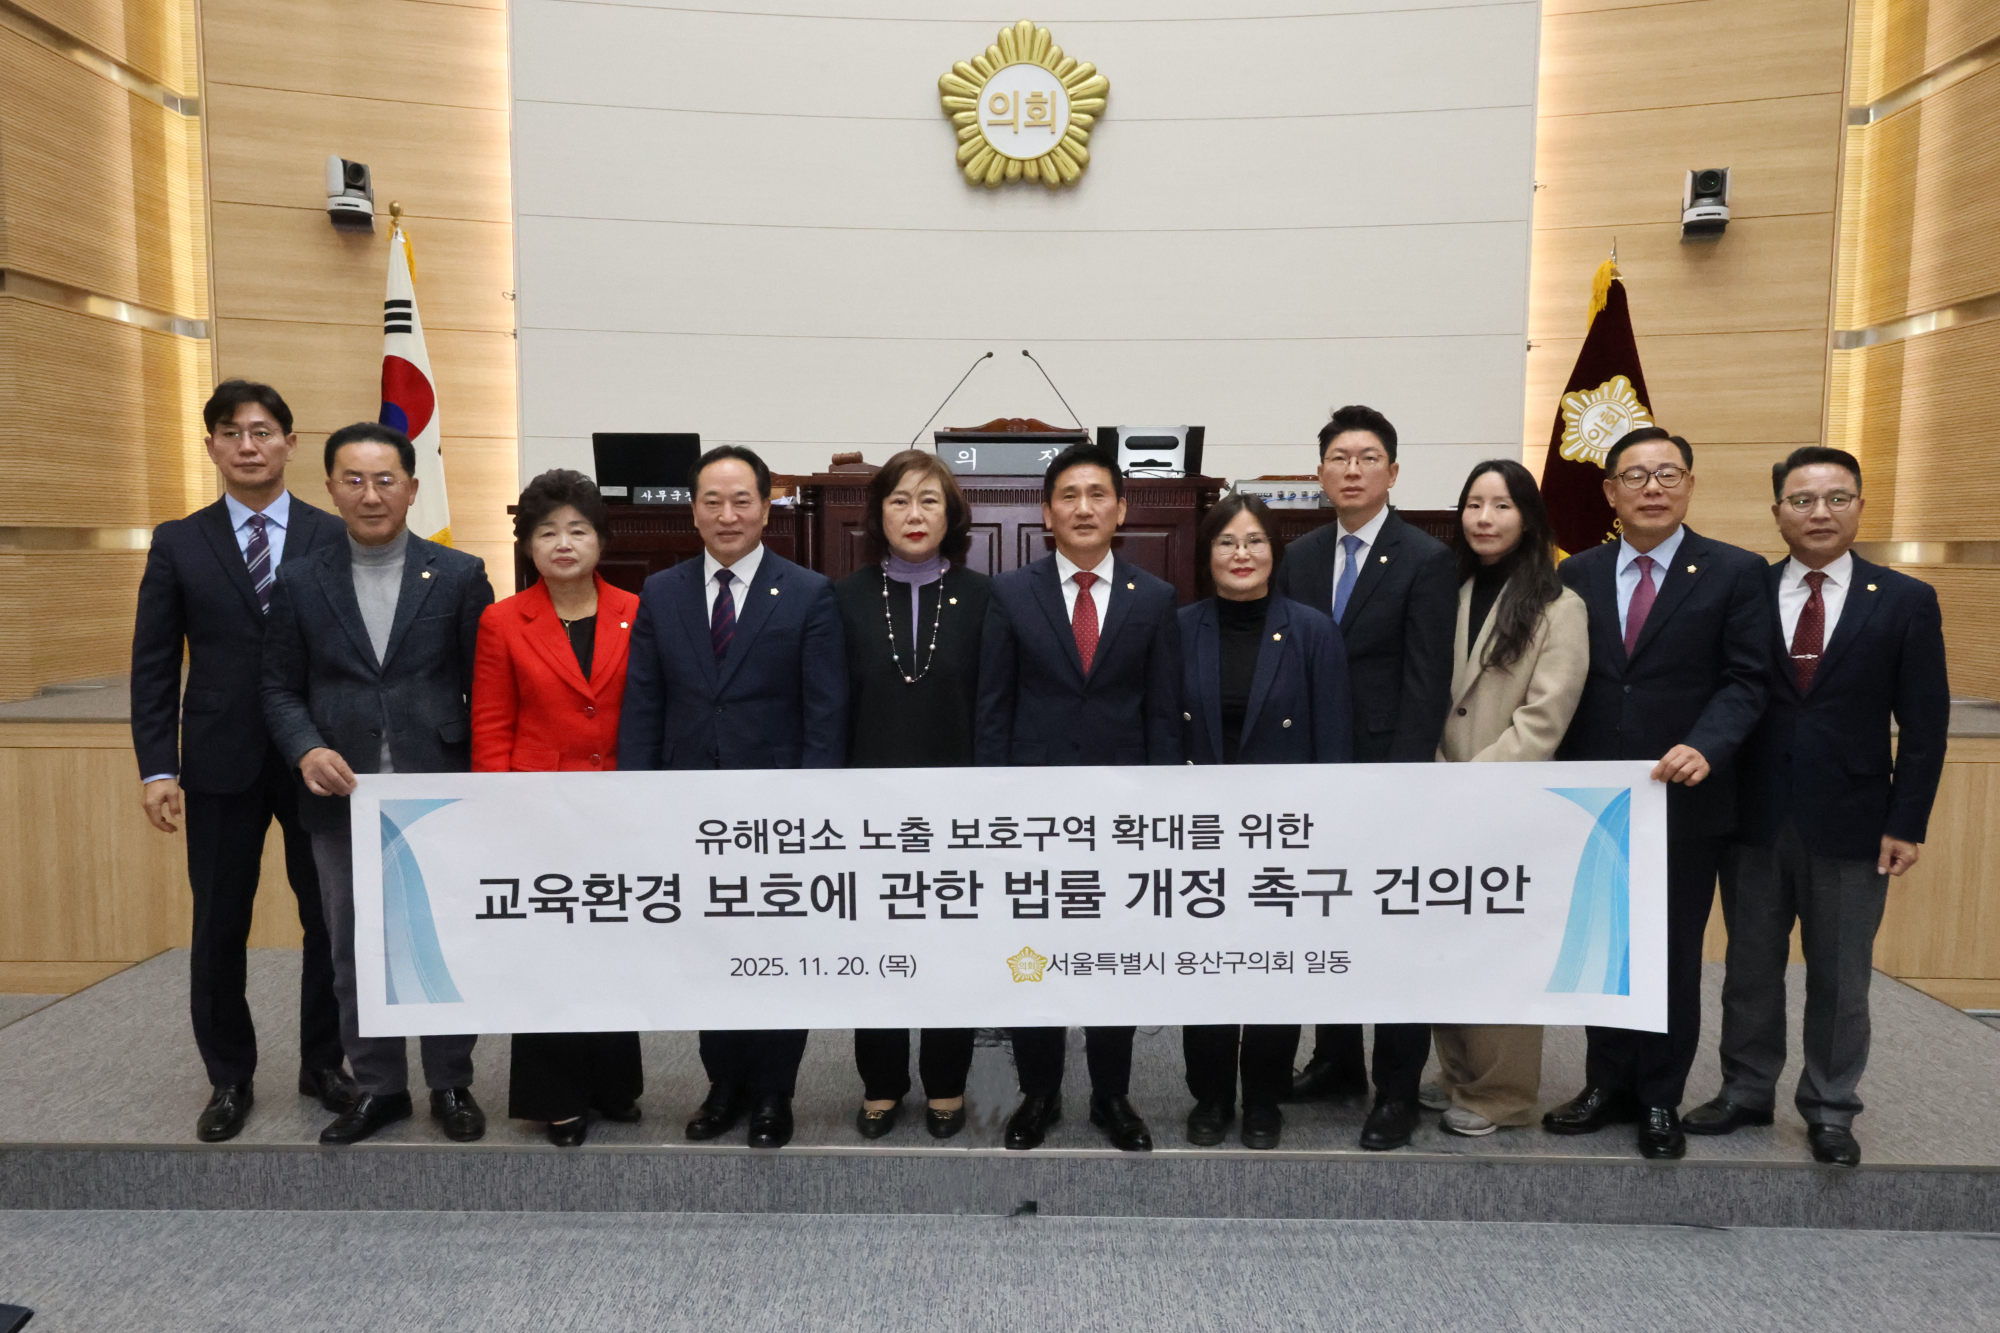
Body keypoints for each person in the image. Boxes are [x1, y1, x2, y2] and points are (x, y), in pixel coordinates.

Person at [1683, 446, 1948, 1167]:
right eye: (1801, 499)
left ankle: (1831, 1107)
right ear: (1777, 513)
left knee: (1840, 974)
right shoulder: (1744, 589)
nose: (1819, 512)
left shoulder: (1903, 600)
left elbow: (1925, 724)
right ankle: (1745, 1088)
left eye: (1835, 497)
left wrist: (1907, 822)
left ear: (1860, 506)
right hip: (1754, 814)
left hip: (1855, 822)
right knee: (1749, 966)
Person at [130, 380, 357, 1143]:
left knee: (327, 919)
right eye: (231, 432)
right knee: (218, 922)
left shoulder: (334, 537)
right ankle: (229, 1074)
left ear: (290, 442)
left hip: (318, 758)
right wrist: (158, 765)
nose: (248, 444)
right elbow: (154, 663)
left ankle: (324, 1063)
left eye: (262, 431)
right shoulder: (179, 541)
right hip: (220, 760)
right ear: (212, 448)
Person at [261, 422, 495, 1146]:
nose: (370, 494)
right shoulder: (301, 579)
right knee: (354, 946)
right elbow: (277, 687)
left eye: (386, 479)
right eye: (354, 480)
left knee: (442, 938)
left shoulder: (459, 574)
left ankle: (451, 1081)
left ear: (413, 489)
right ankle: (378, 1086)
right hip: (343, 798)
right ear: (330, 488)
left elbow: (483, 686)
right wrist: (305, 749)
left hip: (438, 791)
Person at [1541, 426, 1772, 1160]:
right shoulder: (1576, 572)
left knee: (1670, 952)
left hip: (1684, 795)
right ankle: (1605, 1082)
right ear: (1609, 491)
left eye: (1668, 474)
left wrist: (1707, 743)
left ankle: (1660, 1096)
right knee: (1602, 945)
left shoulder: (1736, 572)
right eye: (1635, 476)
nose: (1653, 487)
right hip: (1595, 795)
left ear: (1690, 484)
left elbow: (1747, 678)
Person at [618, 445, 847, 1150]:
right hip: (689, 808)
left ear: (766, 505)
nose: (726, 514)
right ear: (692, 510)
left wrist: (813, 810)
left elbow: (824, 712)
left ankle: (775, 1090)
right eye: (711, 501)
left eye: (741, 499)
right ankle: (723, 1082)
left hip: (778, 812)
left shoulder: (808, 591)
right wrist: (638, 800)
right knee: (710, 946)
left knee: (775, 952)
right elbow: (645, 703)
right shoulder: (663, 591)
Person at [976, 442, 1183, 1153]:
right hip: (1032, 817)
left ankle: (1111, 1094)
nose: (1084, 507)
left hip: (1122, 818)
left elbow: (1161, 713)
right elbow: (993, 710)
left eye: (1098, 494)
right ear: (1046, 512)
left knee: (1112, 955)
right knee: (1034, 953)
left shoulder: (1154, 599)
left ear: (1121, 508)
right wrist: (994, 807)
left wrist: (1157, 812)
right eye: (1069, 494)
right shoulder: (1010, 593)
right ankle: (1038, 1091)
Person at [1272, 404, 1455, 1150]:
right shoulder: (1302, 554)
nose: (1352, 470)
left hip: (1388, 768)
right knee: (1326, 919)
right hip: (1314, 767)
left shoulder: (1425, 557)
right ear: (1320, 473)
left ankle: (1397, 1088)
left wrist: (1405, 781)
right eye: (1339, 458)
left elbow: (1426, 680)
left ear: (1393, 472)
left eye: (1367, 457)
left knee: (1395, 930)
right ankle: (1338, 1059)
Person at [470, 470, 644, 1147]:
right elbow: (491, 723)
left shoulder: (637, 609)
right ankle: (558, 1096)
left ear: (601, 539)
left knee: (611, 943)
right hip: (538, 812)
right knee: (549, 953)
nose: (563, 543)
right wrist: (501, 810)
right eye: (547, 532)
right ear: (528, 545)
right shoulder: (503, 620)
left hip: (619, 808)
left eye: (578, 529)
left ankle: (614, 1084)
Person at [1178, 492, 1350, 1151]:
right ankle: (1213, 1095)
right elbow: (1165, 732)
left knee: (1274, 968)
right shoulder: (1180, 627)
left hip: (1286, 834)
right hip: (1200, 834)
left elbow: (1332, 740)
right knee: (1208, 967)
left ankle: (1264, 1099)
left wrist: (1326, 827)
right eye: (1226, 542)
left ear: (1274, 553)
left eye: (1254, 541)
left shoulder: (1312, 631)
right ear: (1207, 554)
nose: (1241, 554)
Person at [1429, 460, 1588, 1138]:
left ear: (1528, 516)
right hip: (1436, 793)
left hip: (1508, 797)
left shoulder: (1560, 604)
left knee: (1502, 944)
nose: (1484, 517)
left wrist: (1472, 782)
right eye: (1473, 504)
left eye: (1500, 504)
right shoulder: (1449, 587)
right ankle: (1459, 1070)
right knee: (1443, 936)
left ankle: (1503, 1092)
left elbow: (1544, 719)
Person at [835, 450, 990, 1142]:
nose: (915, 513)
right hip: (867, 812)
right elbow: (832, 708)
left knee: (950, 951)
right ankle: (881, 1082)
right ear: (878, 514)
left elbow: (994, 707)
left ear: (952, 514)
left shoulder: (988, 598)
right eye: (900, 500)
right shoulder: (841, 598)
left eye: (930, 500)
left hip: (959, 813)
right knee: (879, 947)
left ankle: (947, 1082)